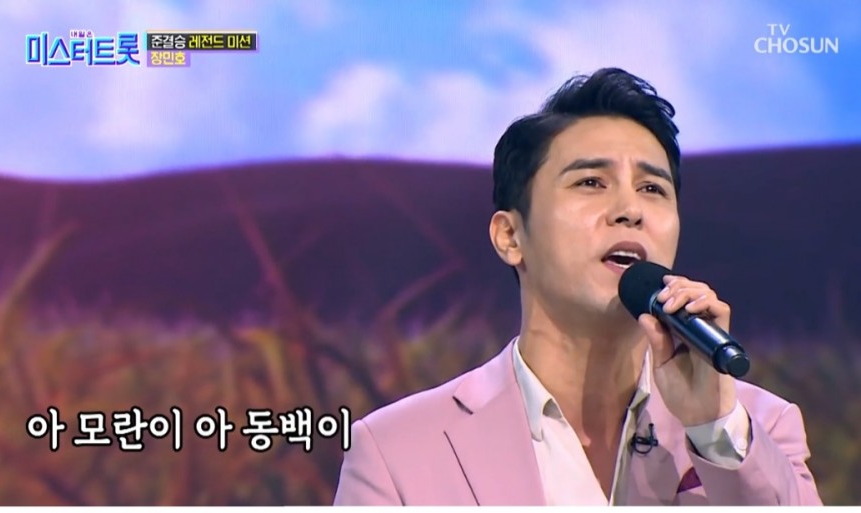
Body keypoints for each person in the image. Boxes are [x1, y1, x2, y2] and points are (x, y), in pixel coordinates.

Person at [332, 67, 822, 506]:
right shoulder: (396, 451)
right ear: (510, 236)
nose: (629, 210)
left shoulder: (757, 428)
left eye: (652, 189)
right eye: (590, 182)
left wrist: (711, 427)